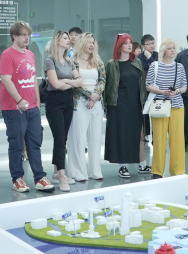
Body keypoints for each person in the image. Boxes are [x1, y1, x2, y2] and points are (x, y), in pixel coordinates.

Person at [0, 21, 51, 192]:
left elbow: (34, 79)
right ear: (14, 36)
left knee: (34, 142)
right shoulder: (7, 55)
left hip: (32, 107)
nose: (26, 38)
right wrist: (19, 100)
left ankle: (40, 177)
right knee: (16, 144)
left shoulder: (30, 54)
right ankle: (17, 178)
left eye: (28, 34)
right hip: (13, 108)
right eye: (23, 35)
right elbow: (6, 79)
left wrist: (37, 103)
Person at [104, 33, 147, 179]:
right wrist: (106, 105)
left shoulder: (136, 62)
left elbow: (142, 83)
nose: (129, 45)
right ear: (119, 46)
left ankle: (142, 164)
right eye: (126, 43)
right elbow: (107, 85)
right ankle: (122, 166)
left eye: (130, 42)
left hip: (135, 103)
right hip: (118, 104)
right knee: (121, 134)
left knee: (138, 134)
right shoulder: (112, 64)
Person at [42, 31, 81, 191]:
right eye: (65, 38)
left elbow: (80, 82)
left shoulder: (70, 62)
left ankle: (56, 172)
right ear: (57, 41)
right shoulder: (50, 61)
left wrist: (65, 81)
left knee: (62, 138)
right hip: (54, 102)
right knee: (59, 139)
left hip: (68, 101)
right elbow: (55, 85)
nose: (68, 40)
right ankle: (62, 175)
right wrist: (70, 82)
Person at [67, 32, 106, 182]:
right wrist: (89, 95)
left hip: (96, 102)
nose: (91, 45)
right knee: (78, 136)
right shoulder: (72, 62)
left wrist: (96, 95)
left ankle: (95, 171)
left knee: (95, 137)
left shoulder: (98, 61)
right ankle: (78, 172)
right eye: (89, 42)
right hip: (79, 102)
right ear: (82, 43)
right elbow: (74, 82)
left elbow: (102, 80)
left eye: (93, 42)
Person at [145, 39, 187, 178]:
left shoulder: (179, 67)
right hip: (160, 106)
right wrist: (162, 92)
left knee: (177, 140)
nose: (173, 50)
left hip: (177, 106)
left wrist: (177, 91)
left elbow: (184, 86)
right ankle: (157, 171)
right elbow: (148, 85)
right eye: (169, 48)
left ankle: (178, 170)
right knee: (159, 139)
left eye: (174, 48)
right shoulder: (155, 66)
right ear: (163, 51)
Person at [139, 34, 158, 143]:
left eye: (153, 43)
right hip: (144, 89)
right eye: (149, 43)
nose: (152, 45)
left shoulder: (158, 56)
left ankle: (156, 137)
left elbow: (157, 69)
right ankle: (146, 134)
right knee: (145, 111)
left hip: (157, 90)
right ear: (143, 45)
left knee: (156, 113)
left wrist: (150, 58)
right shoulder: (139, 58)